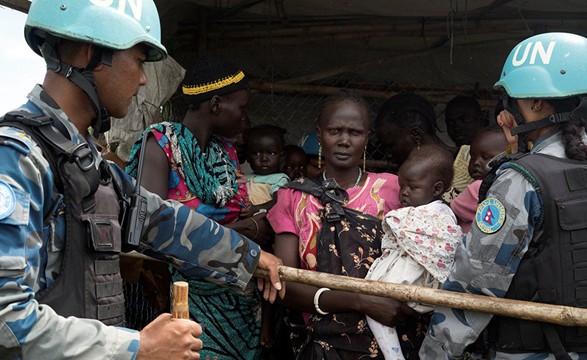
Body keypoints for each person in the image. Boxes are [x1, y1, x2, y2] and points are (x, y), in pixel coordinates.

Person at [0, 2, 284, 359]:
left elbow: (157, 218)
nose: (144, 78)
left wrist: (249, 257)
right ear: (90, 53)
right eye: (137, 59)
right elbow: (5, 321)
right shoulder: (18, 158)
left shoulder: (83, 160)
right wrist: (138, 347)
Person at [420, 32, 587, 359]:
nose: (504, 111)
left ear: (537, 103)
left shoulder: (520, 181)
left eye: (511, 99)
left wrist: (434, 354)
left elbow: (474, 287)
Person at [126, 54, 276, 359]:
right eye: (242, 107)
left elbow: (249, 214)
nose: (245, 117)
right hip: (193, 300)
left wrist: (255, 224)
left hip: (243, 298)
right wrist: (238, 233)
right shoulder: (160, 145)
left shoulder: (226, 154)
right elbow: (146, 230)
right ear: (217, 104)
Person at [268, 91, 419, 359]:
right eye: (335, 131)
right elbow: (286, 286)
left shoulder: (394, 190)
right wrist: (361, 301)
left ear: (367, 138)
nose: (344, 141)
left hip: (386, 340)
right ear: (319, 134)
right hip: (317, 343)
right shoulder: (293, 197)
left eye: (354, 132)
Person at [365, 144, 461, 360]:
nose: (404, 193)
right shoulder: (423, 212)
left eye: (413, 187)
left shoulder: (437, 214)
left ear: (437, 189)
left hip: (412, 281)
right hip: (410, 285)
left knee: (374, 308)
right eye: (401, 186)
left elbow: (440, 246)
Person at [374, 92, 455, 172]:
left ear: (416, 135)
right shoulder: (409, 178)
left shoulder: (466, 162)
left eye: (391, 146)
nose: (388, 155)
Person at [450, 128, 508, 233]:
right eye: (472, 157)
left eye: (485, 157)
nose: (476, 162)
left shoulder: (478, 188)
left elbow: (452, 209)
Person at [241, 124, 290, 219]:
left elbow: (279, 202)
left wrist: (256, 209)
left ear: (281, 156)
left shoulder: (280, 179)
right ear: (248, 157)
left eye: (271, 153)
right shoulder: (244, 177)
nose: (264, 159)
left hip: (264, 222)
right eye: (256, 153)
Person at [443, 96, 486, 201]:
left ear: (481, 120)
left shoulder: (495, 153)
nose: (457, 127)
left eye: (464, 120)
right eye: (451, 123)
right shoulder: (447, 159)